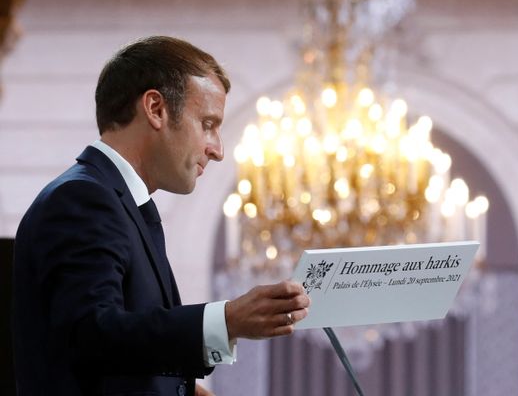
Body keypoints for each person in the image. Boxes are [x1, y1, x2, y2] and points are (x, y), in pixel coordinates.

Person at [12, 36, 310, 396]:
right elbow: (91, 334)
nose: (217, 150)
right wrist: (226, 320)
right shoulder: (83, 198)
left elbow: (121, 351)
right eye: (208, 124)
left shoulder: (116, 201)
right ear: (155, 108)